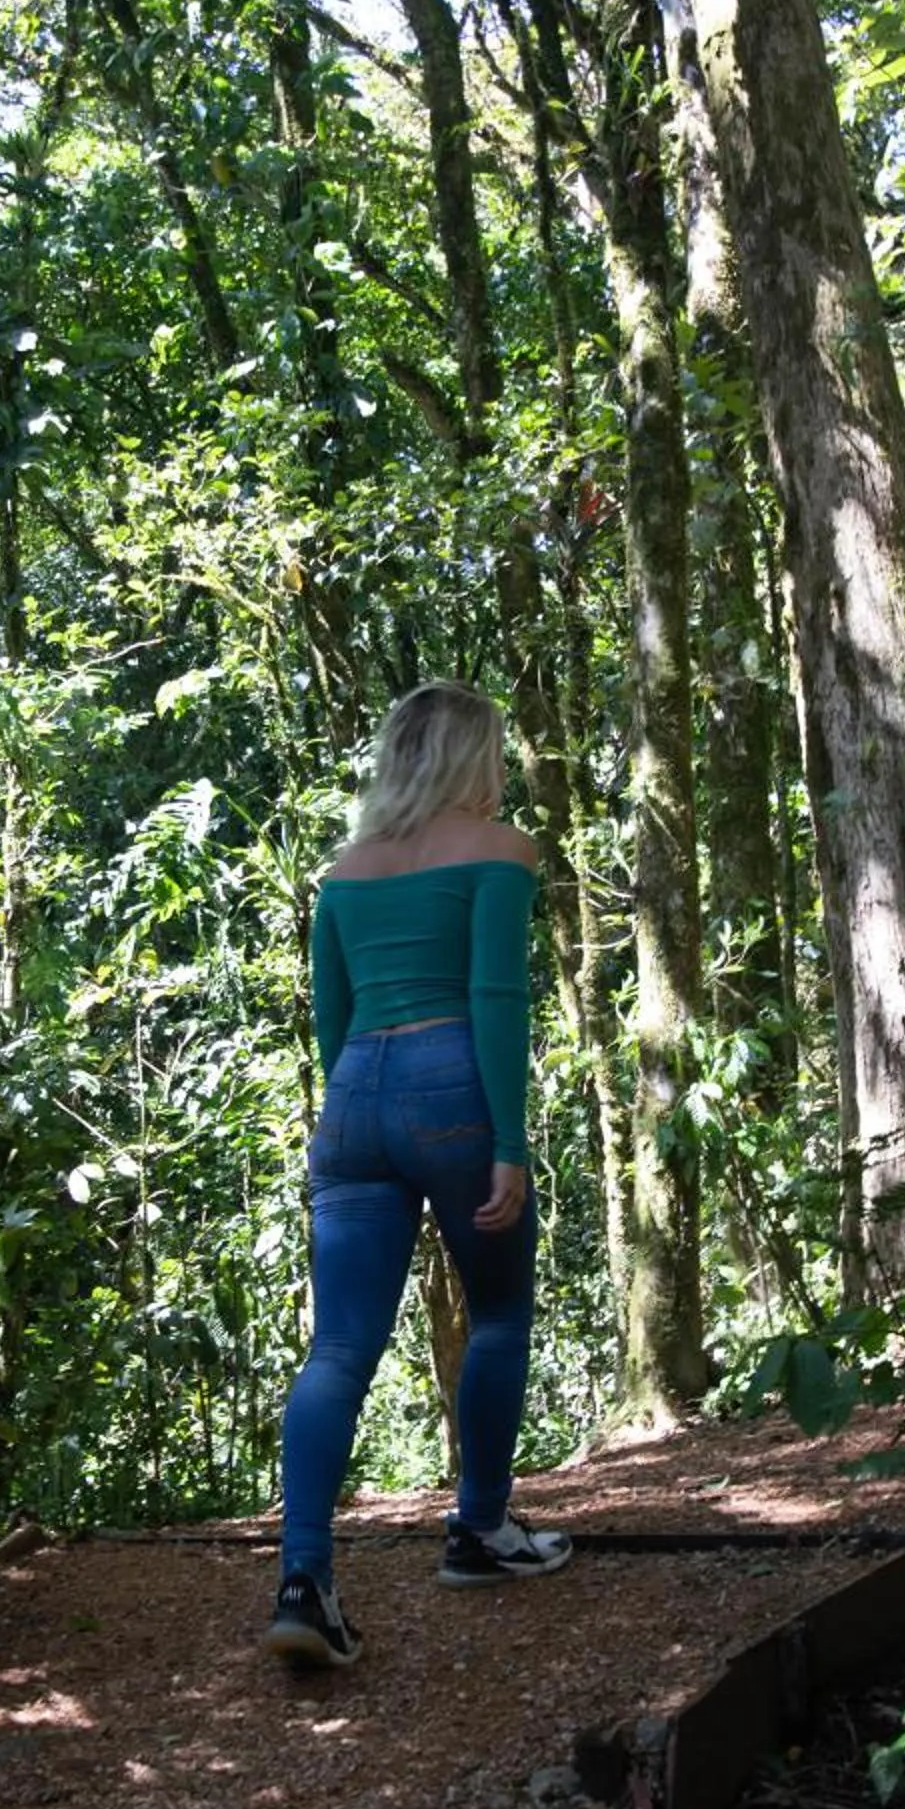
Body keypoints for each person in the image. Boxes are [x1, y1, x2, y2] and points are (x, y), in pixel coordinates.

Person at [265, 681, 575, 1669]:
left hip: (353, 1096)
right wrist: (509, 1142)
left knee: (339, 1347)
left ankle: (304, 1577)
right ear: (472, 759)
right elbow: (494, 992)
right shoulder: (502, 851)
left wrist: (361, 1115)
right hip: (454, 1087)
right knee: (497, 1314)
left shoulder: (343, 876)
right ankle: (479, 1529)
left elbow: (332, 1017)